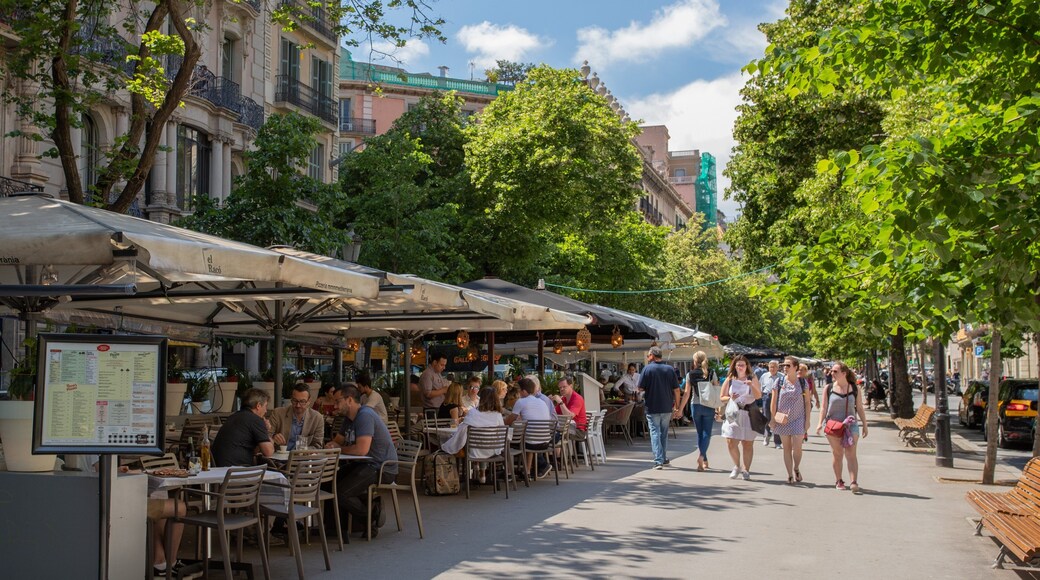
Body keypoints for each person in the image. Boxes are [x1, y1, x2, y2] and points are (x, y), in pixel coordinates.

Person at [326, 384, 397, 536]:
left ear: (349, 400)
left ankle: (371, 515)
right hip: (363, 464)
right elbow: (338, 441)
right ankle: (335, 528)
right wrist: (331, 445)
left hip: (380, 466)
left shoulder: (365, 415)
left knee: (341, 492)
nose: (335, 405)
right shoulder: (348, 418)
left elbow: (361, 450)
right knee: (327, 481)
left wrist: (337, 449)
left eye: (337, 401)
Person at [816, 361, 869, 492]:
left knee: (851, 454)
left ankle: (853, 482)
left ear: (844, 373)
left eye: (835, 371)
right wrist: (819, 424)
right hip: (833, 426)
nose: (831, 373)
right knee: (838, 453)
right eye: (832, 371)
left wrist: (865, 425)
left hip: (851, 426)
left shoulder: (854, 388)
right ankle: (839, 480)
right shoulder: (829, 388)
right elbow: (823, 408)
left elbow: (860, 408)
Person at [441, 387, 507, 482]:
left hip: (474, 452)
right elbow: (501, 434)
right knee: (483, 443)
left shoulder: (473, 413)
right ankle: (481, 473)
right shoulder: (498, 415)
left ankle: (476, 469)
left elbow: (462, 432)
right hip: (493, 451)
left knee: (469, 443)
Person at [719, 355, 762, 481]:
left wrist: (751, 385)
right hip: (734, 413)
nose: (740, 367)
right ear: (735, 366)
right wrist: (730, 398)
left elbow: (758, 395)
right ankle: (737, 465)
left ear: (747, 366)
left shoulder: (752, 377)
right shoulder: (730, 379)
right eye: (738, 365)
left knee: (747, 443)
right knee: (730, 440)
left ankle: (746, 469)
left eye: (742, 365)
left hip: (748, 412)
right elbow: (722, 397)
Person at [637, 346, 681, 470]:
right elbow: (676, 389)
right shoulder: (669, 369)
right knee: (663, 432)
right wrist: (677, 406)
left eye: (648, 355)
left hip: (652, 405)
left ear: (652, 356)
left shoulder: (647, 369)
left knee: (655, 432)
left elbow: (640, 388)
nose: (647, 358)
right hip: (667, 405)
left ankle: (658, 460)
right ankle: (663, 457)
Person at [771, 357, 812, 484]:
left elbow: (807, 402)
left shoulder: (802, 382)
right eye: (784, 365)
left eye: (788, 365)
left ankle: (796, 468)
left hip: (799, 418)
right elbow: (773, 401)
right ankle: (789, 474)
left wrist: (807, 420)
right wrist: (772, 418)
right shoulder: (779, 381)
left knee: (797, 447)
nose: (785, 367)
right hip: (783, 419)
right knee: (786, 448)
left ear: (795, 367)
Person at [678, 350, 719, 472]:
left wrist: (680, 410)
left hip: (695, 406)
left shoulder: (690, 374)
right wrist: (718, 409)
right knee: (707, 433)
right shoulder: (711, 373)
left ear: (695, 361)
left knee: (700, 433)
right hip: (709, 406)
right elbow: (716, 391)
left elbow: (686, 394)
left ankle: (704, 460)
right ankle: (702, 457)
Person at [212, 388, 274, 466]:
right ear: (258, 406)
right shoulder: (255, 420)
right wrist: (266, 430)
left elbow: (254, 450)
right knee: (275, 473)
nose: (266, 411)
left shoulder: (234, 416)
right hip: (236, 470)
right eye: (265, 406)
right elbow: (268, 452)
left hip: (218, 468)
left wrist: (263, 432)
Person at [510, 377, 553, 478]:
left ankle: (508, 473)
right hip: (546, 442)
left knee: (509, 442)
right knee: (528, 437)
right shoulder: (542, 402)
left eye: (519, 390)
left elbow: (510, 420)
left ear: (524, 391)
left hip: (531, 443)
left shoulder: (521, 402)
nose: (519, 393)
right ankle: (527, 472)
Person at [268, 383, 325, 451]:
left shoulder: (317, 418)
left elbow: (318, 446)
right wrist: (274, 437)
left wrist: (303, 451)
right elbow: (266, 437)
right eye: (295, 401)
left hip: (303, 458)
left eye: (302, 401)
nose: (298, 405)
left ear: (309, 401)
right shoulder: (278, 413)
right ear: (291, 399)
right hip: (279, 457)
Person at [759, 360, 782, 448]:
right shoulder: (764, 376)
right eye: (770, 367)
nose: (772, 369)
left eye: (774, 367)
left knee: (777, 418)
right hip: (767, 397)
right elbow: (760, 389)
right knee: (766, 417)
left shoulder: (782, 376)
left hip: (778, 397)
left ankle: (777, 441)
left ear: (777, 368)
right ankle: (767, 435)